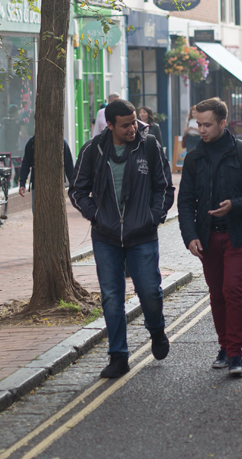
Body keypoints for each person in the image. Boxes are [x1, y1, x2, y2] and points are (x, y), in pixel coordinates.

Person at [70, 99, 174, 378]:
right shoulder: (93, 150)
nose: (133, 128)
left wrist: (152, 217)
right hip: (106, 238)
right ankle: (118, 356)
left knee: (150, 291)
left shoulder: (149, 146)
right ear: (111, 125)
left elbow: (164, 186)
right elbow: (77, 190)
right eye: (126, 125)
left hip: (142, 235)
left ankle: (157, 330)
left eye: (135, 122)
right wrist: (96, 215)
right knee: (112, 297)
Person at [178, 97, 242, 376]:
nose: (201, 130)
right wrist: (190, 236)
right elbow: (185, 202)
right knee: (216, 294)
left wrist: (234, 205)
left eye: (207, 124)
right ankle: (224, 347)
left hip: (237, 234)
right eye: (198, 124)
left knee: (232, 291)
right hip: (206, 236)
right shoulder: (193, 158)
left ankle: (236, 353)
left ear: (222, 123)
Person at [18, 136, 75, 212]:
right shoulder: (32, 143)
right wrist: (22, 183)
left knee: (55, 211)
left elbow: (69, 166)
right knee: (37, 211)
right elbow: (26, 164)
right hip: (37, 184)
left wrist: (74, 185)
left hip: (56, 184)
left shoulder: (62, 142)